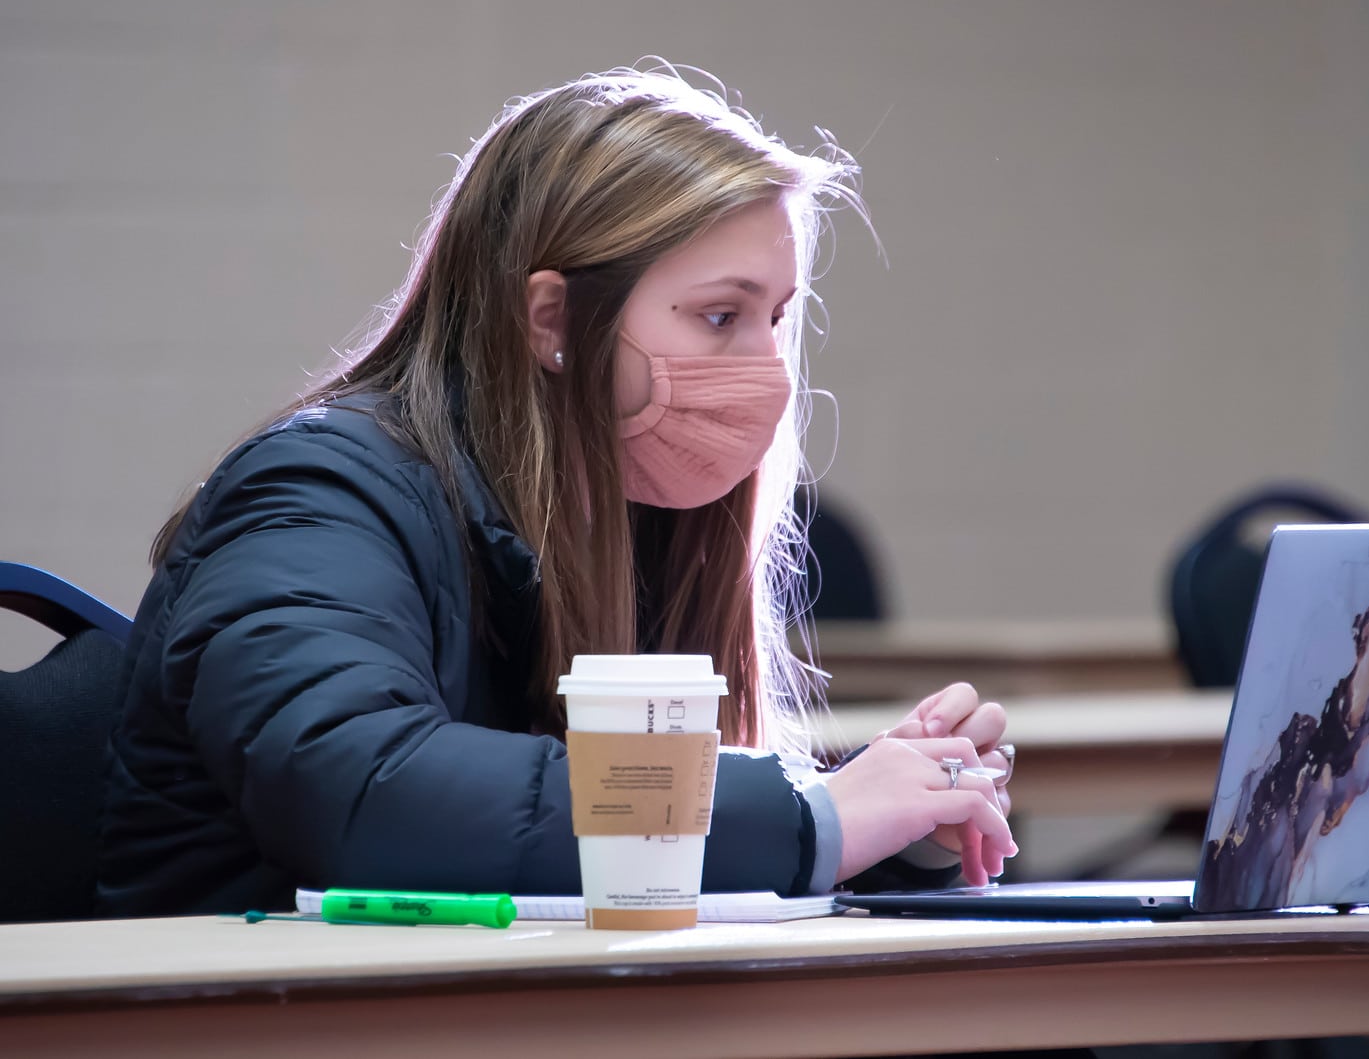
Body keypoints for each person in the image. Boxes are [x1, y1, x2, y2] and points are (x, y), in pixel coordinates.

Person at [95, 65, 1018, 917]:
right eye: (720, 316)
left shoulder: (635, 510)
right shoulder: (316, 495)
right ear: (555, 320)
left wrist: (897, 826)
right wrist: (811, 821)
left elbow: (596, 855)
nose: (768, 370)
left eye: (774, 319)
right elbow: (368, 791)